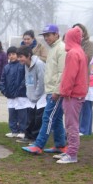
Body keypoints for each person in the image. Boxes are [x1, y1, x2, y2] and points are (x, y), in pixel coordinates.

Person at [22, 24, 67, 155]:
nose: (46, 38)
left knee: (47, 117)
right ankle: (60, 145)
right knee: (56, 118)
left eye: (48, 35)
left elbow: (62, 72)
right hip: (51, 89)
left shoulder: (61, 49)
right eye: (45, 35)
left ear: (56, 34)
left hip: (55, 91)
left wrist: (57, 91)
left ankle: (38, 144)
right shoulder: (53, 48)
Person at [56, 26, 89, 164]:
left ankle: (72, 154)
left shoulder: (73, 54)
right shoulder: (80, 51)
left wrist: (65, 92)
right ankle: (70, 151)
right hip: (78, 93)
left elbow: (70, 75)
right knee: (72, 123)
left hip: (72, 95)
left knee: (71, 124)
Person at [18, 46, 46, 143]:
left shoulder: (39, 64)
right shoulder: (26, 65)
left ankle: (35, 138)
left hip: (41, 96)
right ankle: (28, 136)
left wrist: (36, 95)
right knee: (30, 117)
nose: (19, 59)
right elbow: (27, 80)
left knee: (38, 118)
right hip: (31, 96)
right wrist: (29, 94)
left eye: (21, 56)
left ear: (29, 55)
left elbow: (41, 81)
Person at [76, 23, 93, 136]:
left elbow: (86, 59)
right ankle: (86, 129)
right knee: (86, 106)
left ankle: (84, 129)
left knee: (86, 105)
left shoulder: (87, 45)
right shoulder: (77, 45)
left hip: (89, 81)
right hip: (87, 80)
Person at [0, 46, 28, 139]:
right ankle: (14, 130)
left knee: (22, 113)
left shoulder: (22, 65)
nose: (11, 56)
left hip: (21, 95)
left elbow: (24, 79)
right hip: (10, 95)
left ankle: (22, 130)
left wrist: (19, 90)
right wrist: (4, 91)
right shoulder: (6, 67)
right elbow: (2, 80)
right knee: (12, 113)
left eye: (14, 54)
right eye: (9, 55)